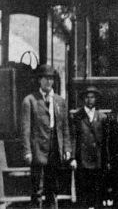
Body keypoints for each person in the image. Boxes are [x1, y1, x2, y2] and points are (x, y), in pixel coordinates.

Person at [20, 64, 71, 209]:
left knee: (53, 188)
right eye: (45, 79)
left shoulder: (60, 101)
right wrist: (27, 151)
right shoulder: (30, 101)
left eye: (51, 79)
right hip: (37, 152)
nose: (48, 82)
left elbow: (64, 127)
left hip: (55, 150)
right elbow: (25, 129)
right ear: (39, 80)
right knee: (37, 189)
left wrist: (67, 148)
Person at [71, 86, 106, 209]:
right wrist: (73, 158)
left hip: (97, 159)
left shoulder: (102, 117)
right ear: (83, 99)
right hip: (82, 160)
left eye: (92, 97)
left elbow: (104, 141)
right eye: (87, 97)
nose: (89, 100)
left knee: (97, 192)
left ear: (96, 99)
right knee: (83, 192)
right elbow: (74, 138)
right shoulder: (77, 116)